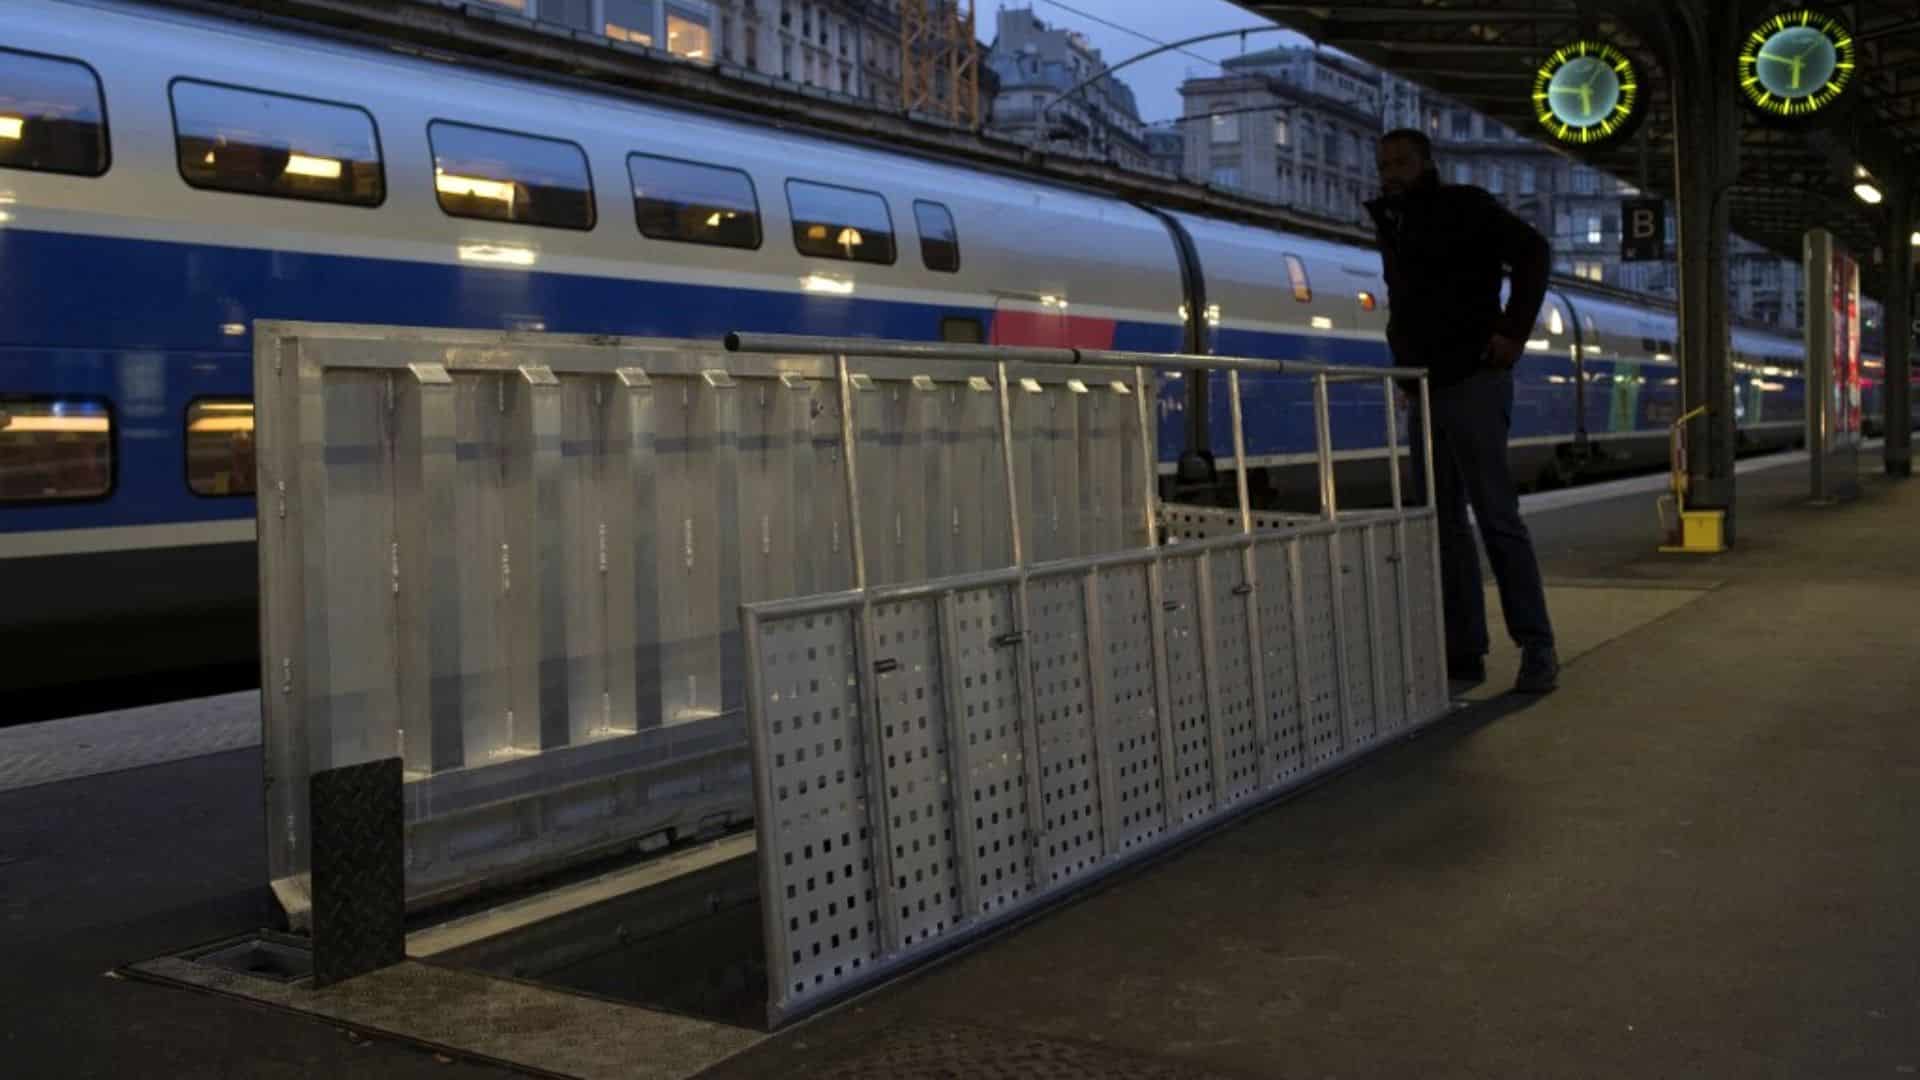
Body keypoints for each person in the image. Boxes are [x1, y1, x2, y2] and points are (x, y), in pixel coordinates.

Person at [1365, 128, 1559, 694]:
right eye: (1383, 164)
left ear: (1427, 162)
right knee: (1443, 523)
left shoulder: (1466, 207)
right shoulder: (1393, 221)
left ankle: (1537, 646)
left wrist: (1513, 332)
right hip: (1425, 385)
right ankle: (1463, 649)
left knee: (1496, 516)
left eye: (1400, 162)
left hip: (1474, 376)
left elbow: (1534, 253)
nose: (1390, 173)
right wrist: (1405, 368)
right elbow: (1406, 305)